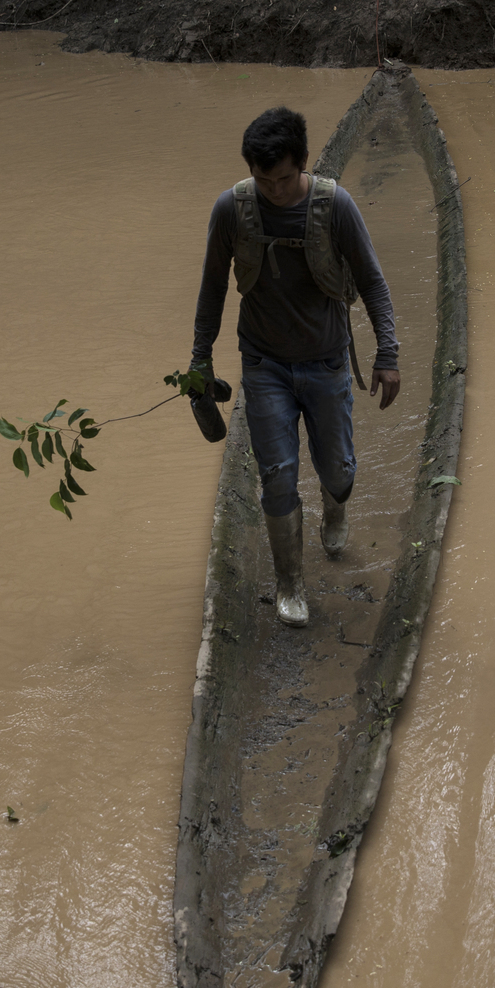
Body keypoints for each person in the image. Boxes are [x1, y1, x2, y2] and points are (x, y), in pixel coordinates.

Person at [188, 106, 399, 627]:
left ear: (303, 163)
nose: (275, 191)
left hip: (326, 363)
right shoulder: (231, 210)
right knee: (277, 475)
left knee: (338, 472)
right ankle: (290, 586)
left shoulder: (335, 206)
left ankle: (335, 503)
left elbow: (372, 281)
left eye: (284, 179)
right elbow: (213, 286)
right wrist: (199, 357)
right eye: (264, 181)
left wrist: (387, 352)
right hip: (265, 365)